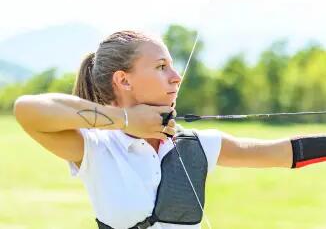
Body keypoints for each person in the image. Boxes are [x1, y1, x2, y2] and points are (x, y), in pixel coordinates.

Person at [14, 30, 326, 229]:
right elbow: (28, 110)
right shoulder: (96, 147)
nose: (176, 77)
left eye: (173, 66)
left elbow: (284, 153)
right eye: (162, 67)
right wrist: (124, 120)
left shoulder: (197, 145)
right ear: (124, 80)